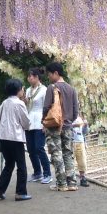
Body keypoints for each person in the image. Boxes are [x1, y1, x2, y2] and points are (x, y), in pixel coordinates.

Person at [42, 62, 81, 192]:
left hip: (54, 126)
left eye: (49, 74)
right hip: (68, 126)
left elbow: (46, 107)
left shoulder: (51, 88)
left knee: (56, 153)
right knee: (68, 154)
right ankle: (72, 183)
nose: (48, 76)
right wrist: (68, 120)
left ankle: (61, 183)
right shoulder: (71, 89)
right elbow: (76, 112)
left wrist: (44, 122)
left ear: (56, 73)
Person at [0, 78, 31, 201]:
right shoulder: (19, 103)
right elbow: (26, 123)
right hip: (15, 138)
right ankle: (20, 192)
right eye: (22, 88)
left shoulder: (5, 102)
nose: (23, 90)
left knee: (9, 164)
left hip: (3, 137)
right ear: (19, 90)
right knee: (21, 165)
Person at [24, 67, 52, 184]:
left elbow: (47, 107)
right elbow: (26, 105)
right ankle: (37, 173)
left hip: (40, 120)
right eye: (28, 76)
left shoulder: (44, 90)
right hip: (29, 121)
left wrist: (45, 123)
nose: (29, 78)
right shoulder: (28, 90)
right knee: (30, 149)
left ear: (37, 77)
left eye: (31, 76)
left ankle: (47, 174)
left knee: (39, 148)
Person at [72, 115, 89, 187]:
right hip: (70, 142)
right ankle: (71, 178)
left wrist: (86, 125)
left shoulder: (80, 119)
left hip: (80, 142)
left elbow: (85, 132)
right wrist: (73, 125)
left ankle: (82, 177)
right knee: (70, 161)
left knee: (82, 161)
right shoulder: (66, 117)